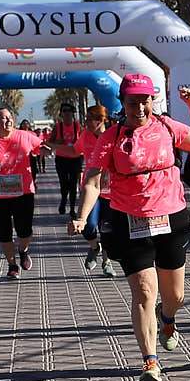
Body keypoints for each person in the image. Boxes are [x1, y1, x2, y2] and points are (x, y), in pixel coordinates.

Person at [70, 76, 190, 381]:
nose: (140, 107)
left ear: (152, 101)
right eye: (133, 101)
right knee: (145, 291)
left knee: (175, 295)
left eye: (145, 100)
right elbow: (93, 181)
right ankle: (150, 361)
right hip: (129, 220)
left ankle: (169, 317)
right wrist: (82, 216)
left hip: (171, 217)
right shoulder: (111, 137)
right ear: (123, 103)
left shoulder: (167, 127)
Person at [0, 106, 45, 280]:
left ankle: (23, 250)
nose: (8, 120)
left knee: (24, 231)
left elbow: (41, 148)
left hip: (23, 193)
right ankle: (12, 265)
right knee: (4, 232)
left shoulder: (25, 136)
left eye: (10, 117)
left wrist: (47, 150)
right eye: (3, 118)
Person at [73, 104, 118, 275]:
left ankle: (107, 263)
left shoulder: (115, 135)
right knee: (88, 226)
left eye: (90, 119)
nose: (86, 122)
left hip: (112, 191)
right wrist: (52, 146)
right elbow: (74, 150)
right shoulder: (85, 136)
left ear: (100, 120)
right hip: (91, 189)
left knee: (106, 228)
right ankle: (94, 247)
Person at [49, 103, 87, 219]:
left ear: (72, 114)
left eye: (69, 111)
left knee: (73, 184)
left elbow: (84, 140)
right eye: (65, 111)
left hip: (75, 158)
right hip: (62, 159)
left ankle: (71, 209)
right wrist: (58, 143)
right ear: (61, 114)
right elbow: (51, 142)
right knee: (64, 183)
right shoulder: (58, 127)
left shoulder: (77, 126)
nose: (67, 114)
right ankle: (63, 199)